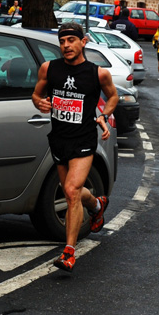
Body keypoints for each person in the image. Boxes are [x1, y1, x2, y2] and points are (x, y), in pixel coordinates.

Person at [32, 22, 118, 272]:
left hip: (83, 140)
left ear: (83, 41)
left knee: (70, 190)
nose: (66, 45)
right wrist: (40, 103)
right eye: (62, 41)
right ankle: (97, 205)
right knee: (73, 193)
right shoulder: (49, 68)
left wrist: (103, 114)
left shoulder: (98, 73)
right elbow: (36, 94)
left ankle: (69, 251)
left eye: (71, 40)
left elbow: (112, 96)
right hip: (59, 139)